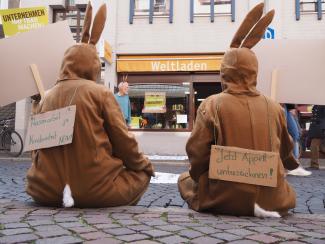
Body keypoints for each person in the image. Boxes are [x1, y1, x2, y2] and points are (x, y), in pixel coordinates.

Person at [26, 3, 154, 208]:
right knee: (142, 173)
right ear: (94, 65)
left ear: (65, 63)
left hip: (45, 191)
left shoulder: (46, 97)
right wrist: (144, 165)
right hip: (94, 191)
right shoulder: (100, 93)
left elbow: (36, 150)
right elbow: (123, 142)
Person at [178, 3, 299, 218]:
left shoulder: (211, 104)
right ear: (254, 72)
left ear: (224, 73)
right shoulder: (274, 107)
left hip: (224, 196)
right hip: (272, 199)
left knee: (184, 180)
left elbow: (196, 153)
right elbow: (286, 152)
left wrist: (201, 176)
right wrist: (289, 164)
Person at [284, 104, 312, 176]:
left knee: (295, 134)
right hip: (280, 104)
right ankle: (290, 165)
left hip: (287, 106)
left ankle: (294, 165)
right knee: (283, 132)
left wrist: (292, 107)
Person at [308, 105, 325, 169]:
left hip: (320, 127)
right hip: (316, 128)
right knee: (320, 147)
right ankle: (314, 164)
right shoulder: (316, 105)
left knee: (314, 145)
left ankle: (314, 164)